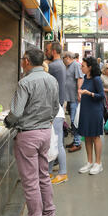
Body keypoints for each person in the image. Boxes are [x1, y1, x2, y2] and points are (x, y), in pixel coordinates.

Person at [4, 48, 59, 216]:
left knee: (30, 181)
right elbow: (55, 107)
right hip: (45, 133)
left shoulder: (25, 82)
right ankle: (49, 215)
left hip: (28, 136)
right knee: (43, 175)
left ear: (26, 61)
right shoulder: (51, 80)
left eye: (22, 59)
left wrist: (8, 122)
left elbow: (17, 113)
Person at [77, 57, 105, 175]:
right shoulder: (85, 78)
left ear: (90, 67)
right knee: (87, 136)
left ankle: (98, 163)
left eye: (83, 66)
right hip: (85, 110)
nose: (81, 67)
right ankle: (89, 161)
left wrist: (90, 93)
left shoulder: (96, 79)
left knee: (95, 136)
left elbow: (102, 95)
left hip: (95, 111)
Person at [45, 42, 68, 185]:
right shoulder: (61, 65)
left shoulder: (53, 67)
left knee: (57, 143)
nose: (45, 52)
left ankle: (63, 173)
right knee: (53, 142)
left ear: (53, 51)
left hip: (55, 110)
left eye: (47, 50)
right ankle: (48, 171)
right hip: (57, 108)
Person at [63, 52, 84, 152]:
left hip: (75, 98)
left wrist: (79, 92)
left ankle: (77, 143)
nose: (63, 60)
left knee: (74, 120)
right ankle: (75, 140)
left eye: (63, 58)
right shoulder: (68, 66)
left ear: (67, 58)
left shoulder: (75, 65)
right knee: (72, 120)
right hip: (70, 98)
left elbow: (80, 78)